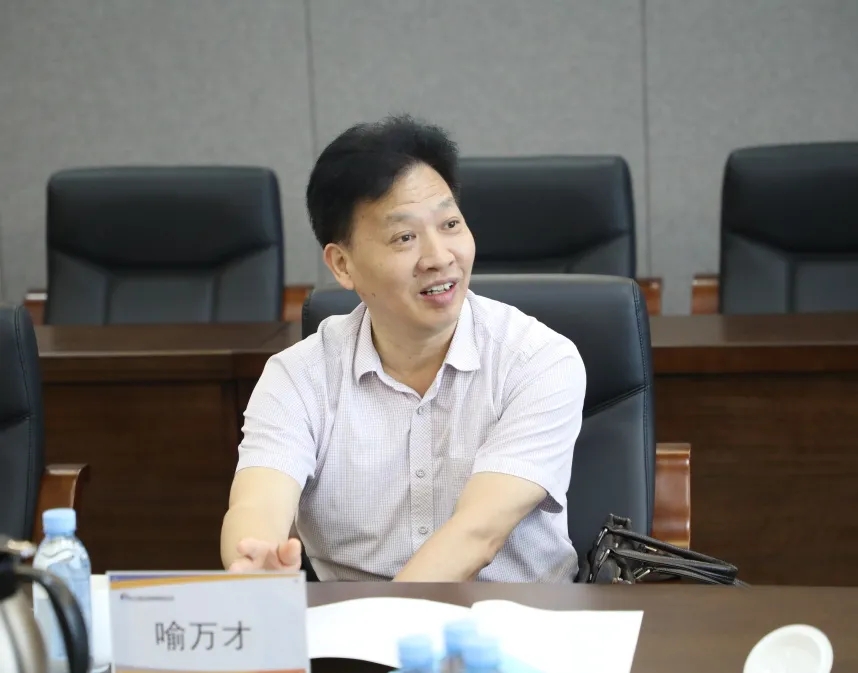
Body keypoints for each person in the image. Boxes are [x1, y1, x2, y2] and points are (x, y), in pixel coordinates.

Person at [220, 114, 586, 582]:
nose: (439, 257)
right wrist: (254, 560)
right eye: (405, 237)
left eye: (450, 224)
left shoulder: (537, 360)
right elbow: (256, 502)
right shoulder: (299, 376)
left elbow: (478, 534)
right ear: (342, 265)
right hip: (351, 625)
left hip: (516, 620)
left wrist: (388, 617)